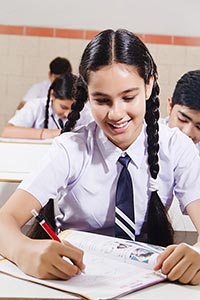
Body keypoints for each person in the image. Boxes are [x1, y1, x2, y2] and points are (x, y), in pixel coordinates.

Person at [0, 29, 200, 285]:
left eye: (128, 97)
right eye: (102, 100)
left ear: (148, 85)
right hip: (75, 282)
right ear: (87, 95)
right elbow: (5, 219)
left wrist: (196, 254)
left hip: (148, 284)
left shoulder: (176, 147)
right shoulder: (71, 149)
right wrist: (23, 250)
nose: (116, 114)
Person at [1, 73, 93, 139]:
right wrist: (50, 134)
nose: (67, 114)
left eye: (72, 108)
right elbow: (7, 132)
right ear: (52, 95)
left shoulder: (84, 112)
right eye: (63, 107)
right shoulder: (36, 106)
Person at [161, 70, 200, 154]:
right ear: (170, 106)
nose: (187, 132)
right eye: (183, 120)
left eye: (199, 127)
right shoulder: (144, 136)